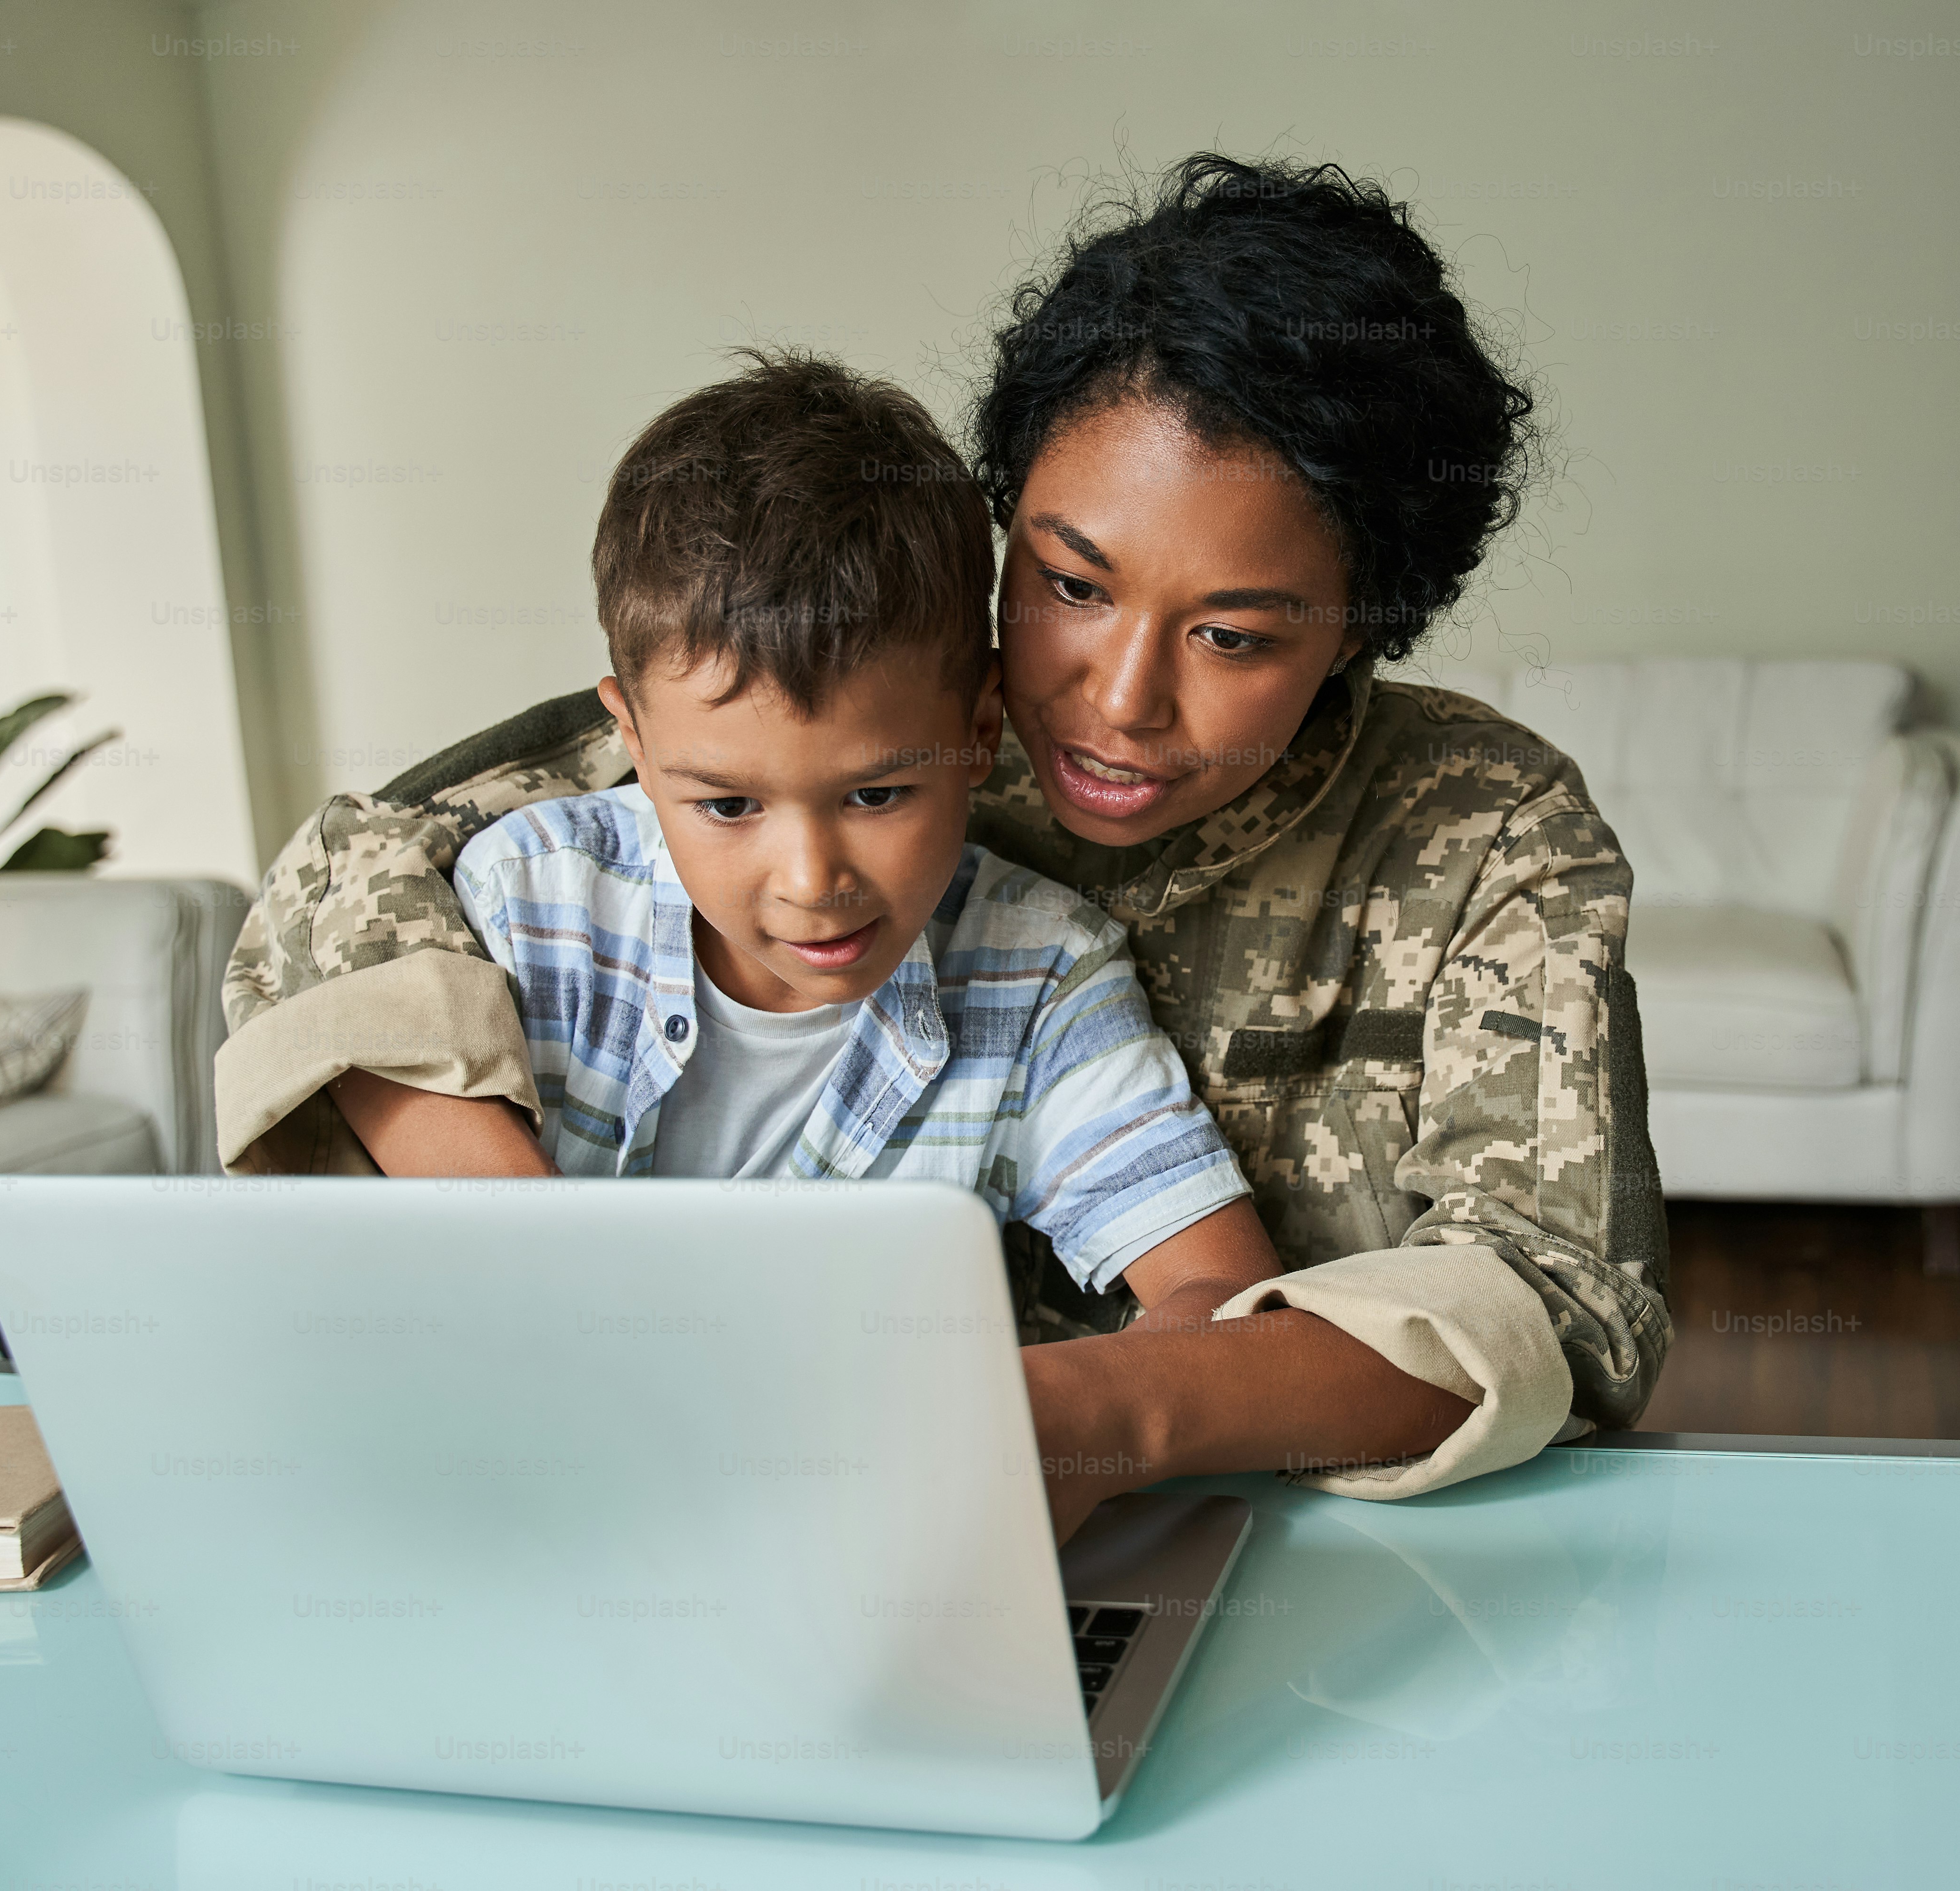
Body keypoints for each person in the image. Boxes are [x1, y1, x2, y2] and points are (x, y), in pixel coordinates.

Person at [217, 153, 1670, 1541]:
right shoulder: (854, 707)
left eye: (1232, 636)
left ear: (1365, 623)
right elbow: (351, 880)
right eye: (1068, 584)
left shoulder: (1480, 832)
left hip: (1257, 1551)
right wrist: (558, 1277)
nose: (1115, 702)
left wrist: (1108, 1416)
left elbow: (1557, 1295)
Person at [450, 356, 1267, 1325]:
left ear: (978, 730)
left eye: (876, 794)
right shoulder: (527, 907)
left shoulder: (1041, 980)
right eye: (727, 805)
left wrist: (1060, 1412)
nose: (811, 881)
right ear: (632, 736)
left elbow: (1220, 1291)